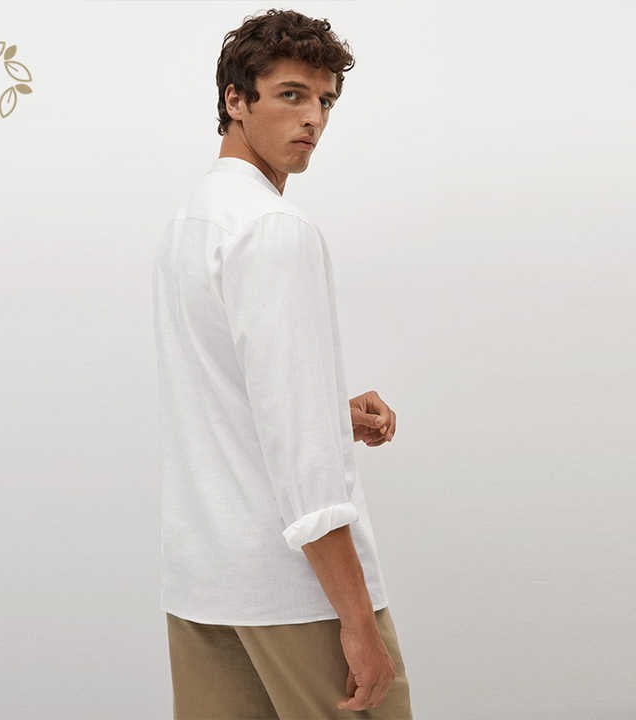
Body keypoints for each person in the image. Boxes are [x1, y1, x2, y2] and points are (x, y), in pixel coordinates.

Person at [151, 8, 413, 718]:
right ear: (235, 99)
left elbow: (224, 397)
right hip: (294, 594)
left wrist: (327, 412)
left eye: (325, 100)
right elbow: (300, 456)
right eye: (291, 94)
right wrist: (356, 621)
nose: (313, 119)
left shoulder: (190, 222)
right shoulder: (272, 228)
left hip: (204, 582)